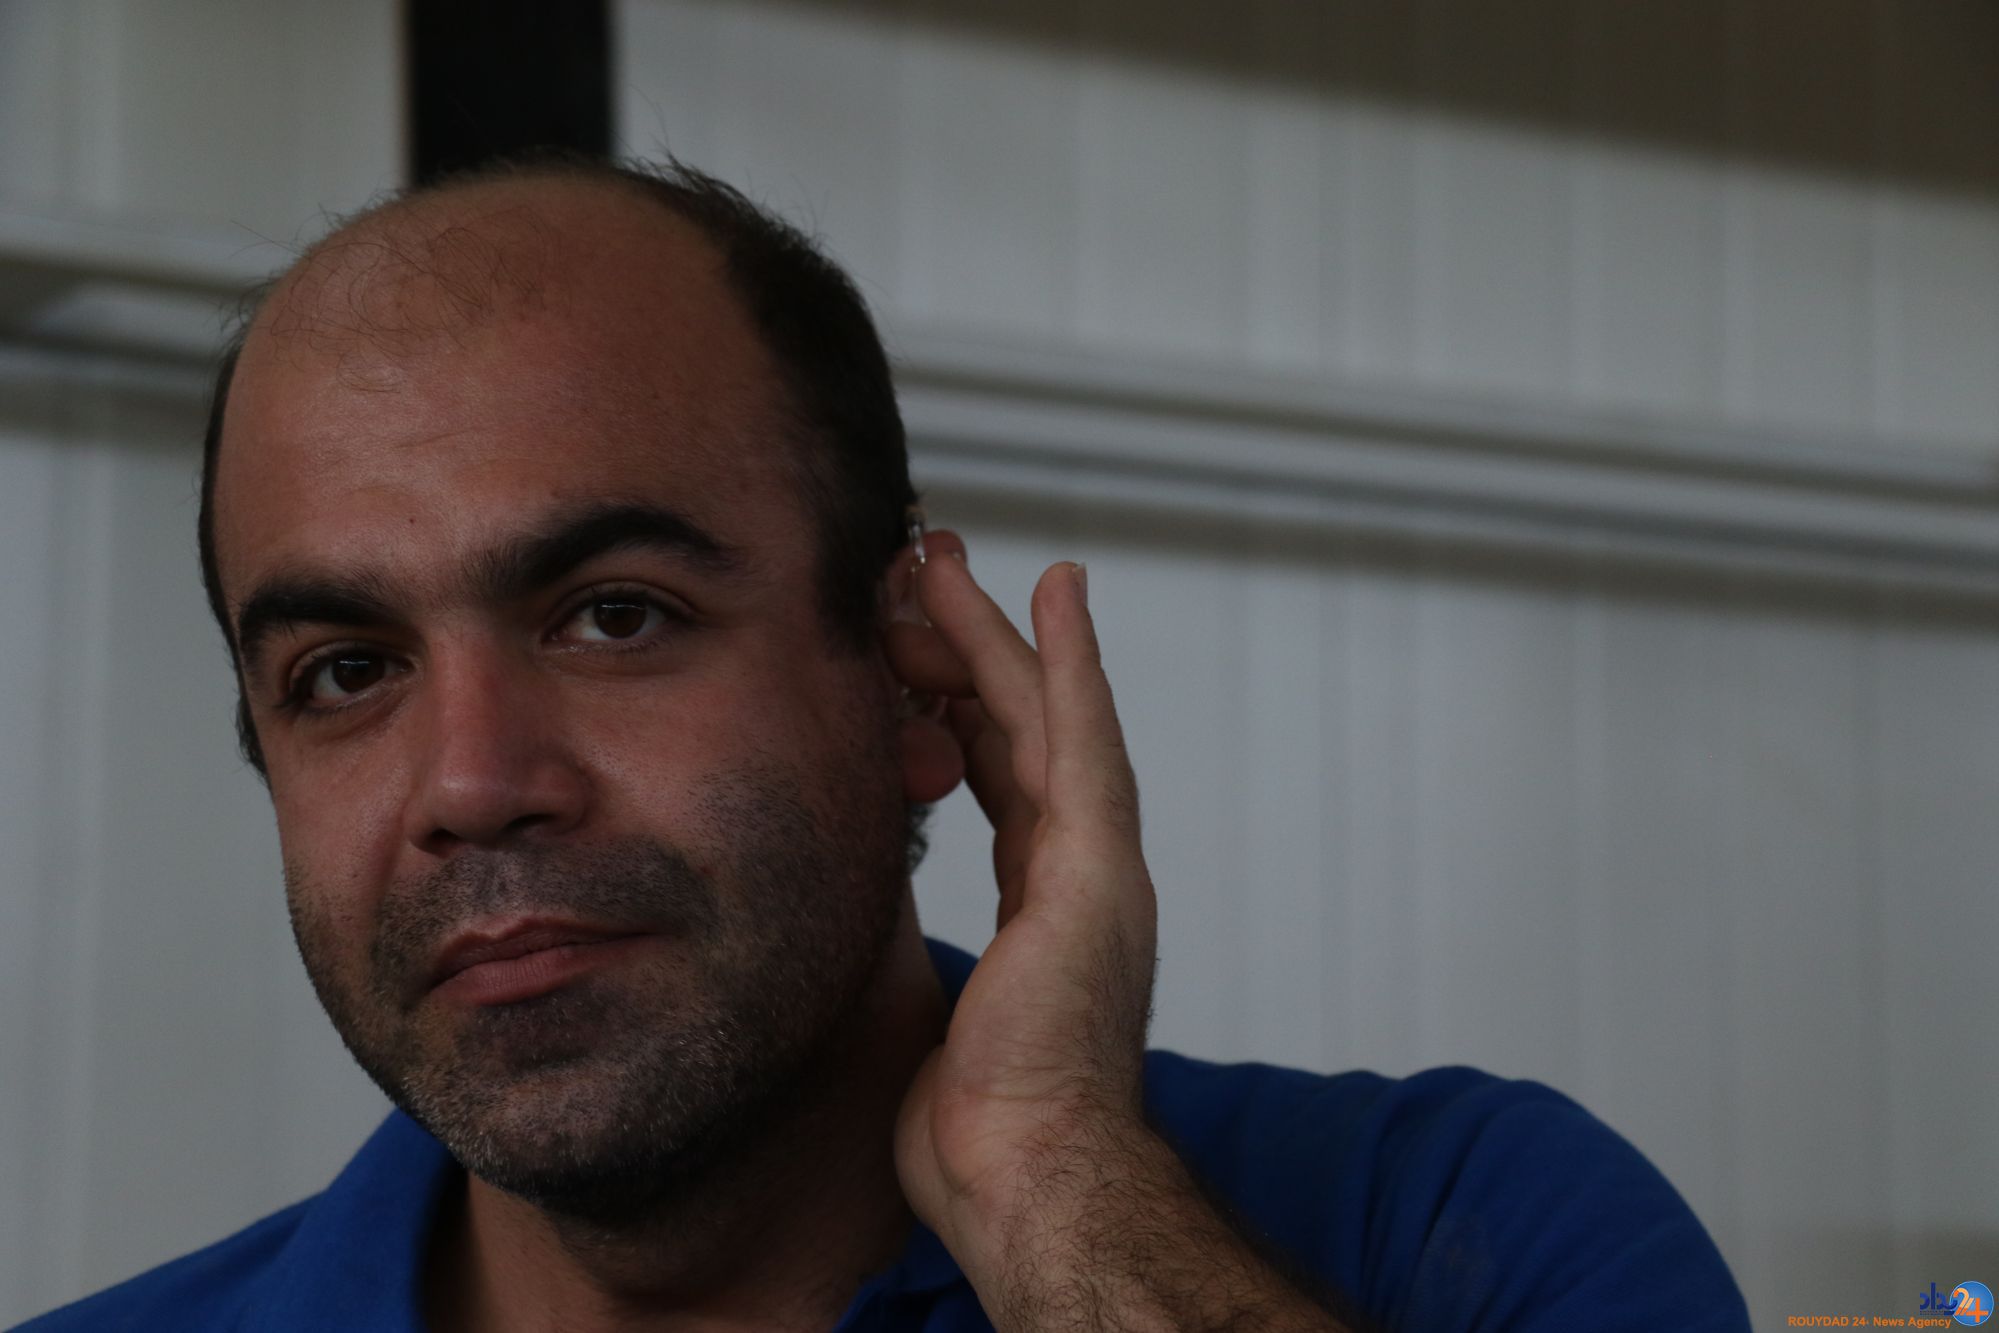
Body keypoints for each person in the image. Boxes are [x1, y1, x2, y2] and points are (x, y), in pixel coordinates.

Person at [16, 154, 1751, 1333]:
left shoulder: (1454, 1233)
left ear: (919, 680)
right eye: (344, 670)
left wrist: (1059, 1193)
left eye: (613, 615)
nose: (471, 783)